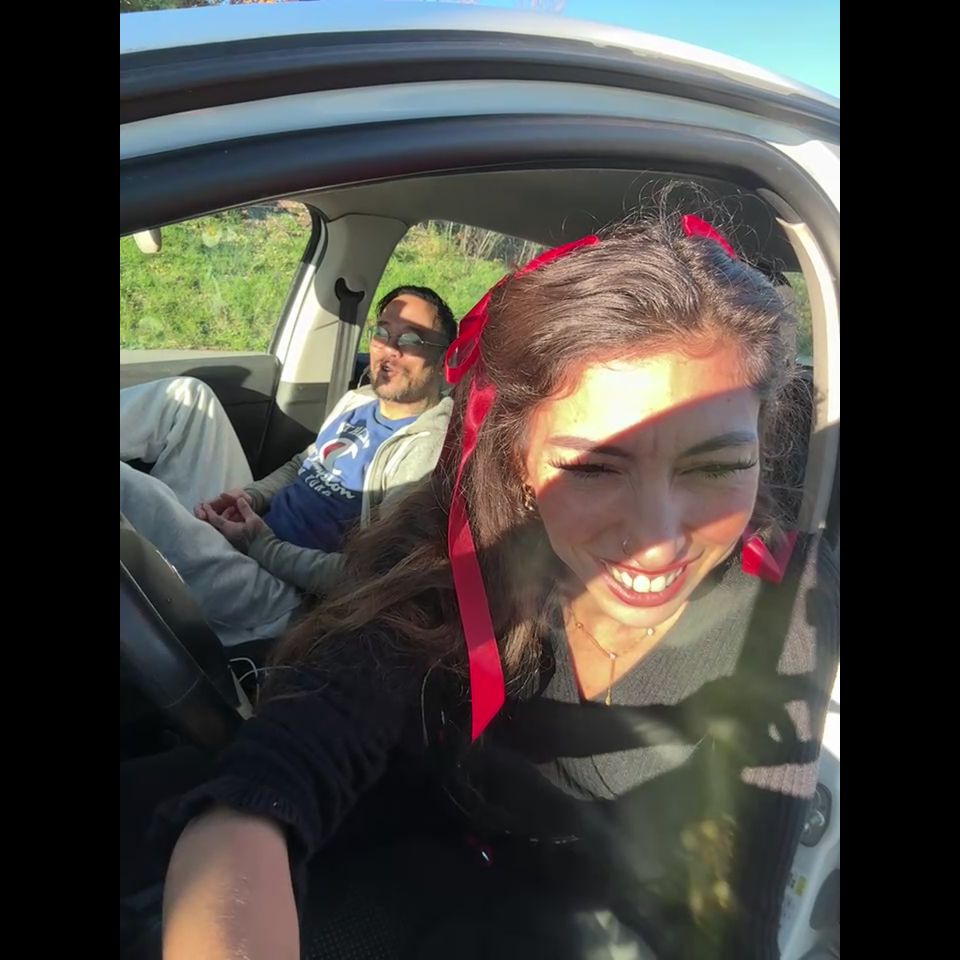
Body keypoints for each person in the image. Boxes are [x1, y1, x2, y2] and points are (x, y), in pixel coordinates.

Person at [156, 215, 839, 959]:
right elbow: (276, 774)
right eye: (594, 467)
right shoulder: (446, 560)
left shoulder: (789, 604)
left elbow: (737, 915)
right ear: (517, 457)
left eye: (715, 466)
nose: (659, 535)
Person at [119, 286, 456, 647]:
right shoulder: (358, 401)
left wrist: (261, 545)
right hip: (253, 534)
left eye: (411, 339)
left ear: (443, 359)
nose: (390, 348)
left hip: (283, 596)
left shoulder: (425, 450)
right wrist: (250, 496)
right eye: (383, 332)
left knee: (132, 488)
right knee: (187, 398)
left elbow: (369, 573)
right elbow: (302, 464)